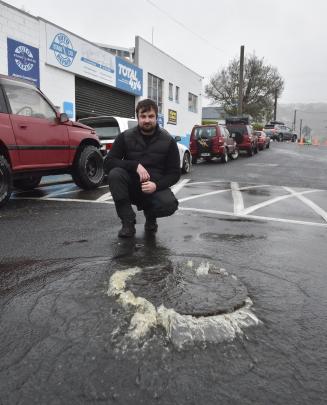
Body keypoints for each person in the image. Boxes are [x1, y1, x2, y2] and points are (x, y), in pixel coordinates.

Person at [104, 99, 181, 238]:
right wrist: (134, 165)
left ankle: (151, 216)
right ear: (137, 117)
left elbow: (174, 173)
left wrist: (156, 186)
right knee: (115, 174)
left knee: (170, 205)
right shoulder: (125, 137)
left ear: (157, 117)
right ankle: (128, 223)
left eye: (151, 116)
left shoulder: (168, 141)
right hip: (131, 186)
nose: (147, 120)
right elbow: (108, 163)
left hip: (153, 188)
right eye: (143, 116)